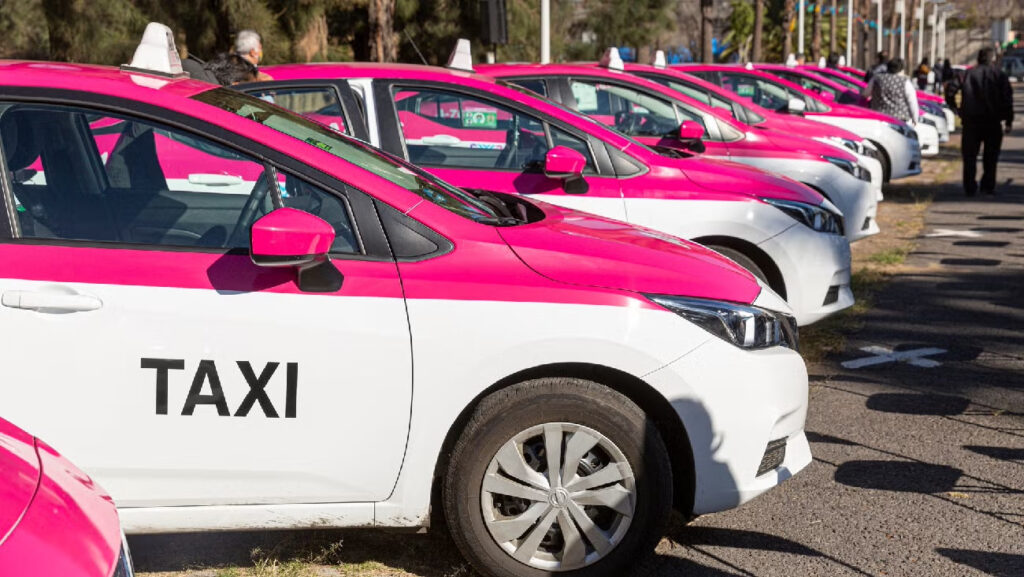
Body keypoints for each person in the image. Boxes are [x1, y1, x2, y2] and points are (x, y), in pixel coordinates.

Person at [947, 47, 1014, 196]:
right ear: (993, 59)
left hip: (971, 121)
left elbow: (950, 89)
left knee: (969, 156)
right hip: (993, 121)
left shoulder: (967, 74)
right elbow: (1007, 99)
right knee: (991, 157)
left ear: (978, 58)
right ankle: (987, 185)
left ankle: (970, 186)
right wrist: (1008, 120)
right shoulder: (999, 75)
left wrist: (956, 108)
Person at [862, 57, 919, 124]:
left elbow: (865, 94)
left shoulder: (877, 78)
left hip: (878, 118)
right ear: (901, 69)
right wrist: (915, 119)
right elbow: (912, 102)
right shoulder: (905, 82)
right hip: (898, 120)